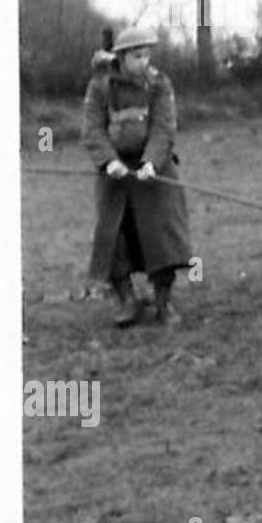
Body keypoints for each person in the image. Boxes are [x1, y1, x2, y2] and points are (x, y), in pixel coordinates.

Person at [80, 27, 192, 327]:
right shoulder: (100, 86)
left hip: (154, 171)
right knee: (112, 237)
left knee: (164, 234)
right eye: (136, 56)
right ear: (122, 57)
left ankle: (163, 301)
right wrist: (108, 161)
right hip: (115, 175)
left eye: (146, 55)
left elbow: (164, 127)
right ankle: (127, 301)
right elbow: (92, 129)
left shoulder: (159, 84)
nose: (144, 61)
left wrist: (151, 163)